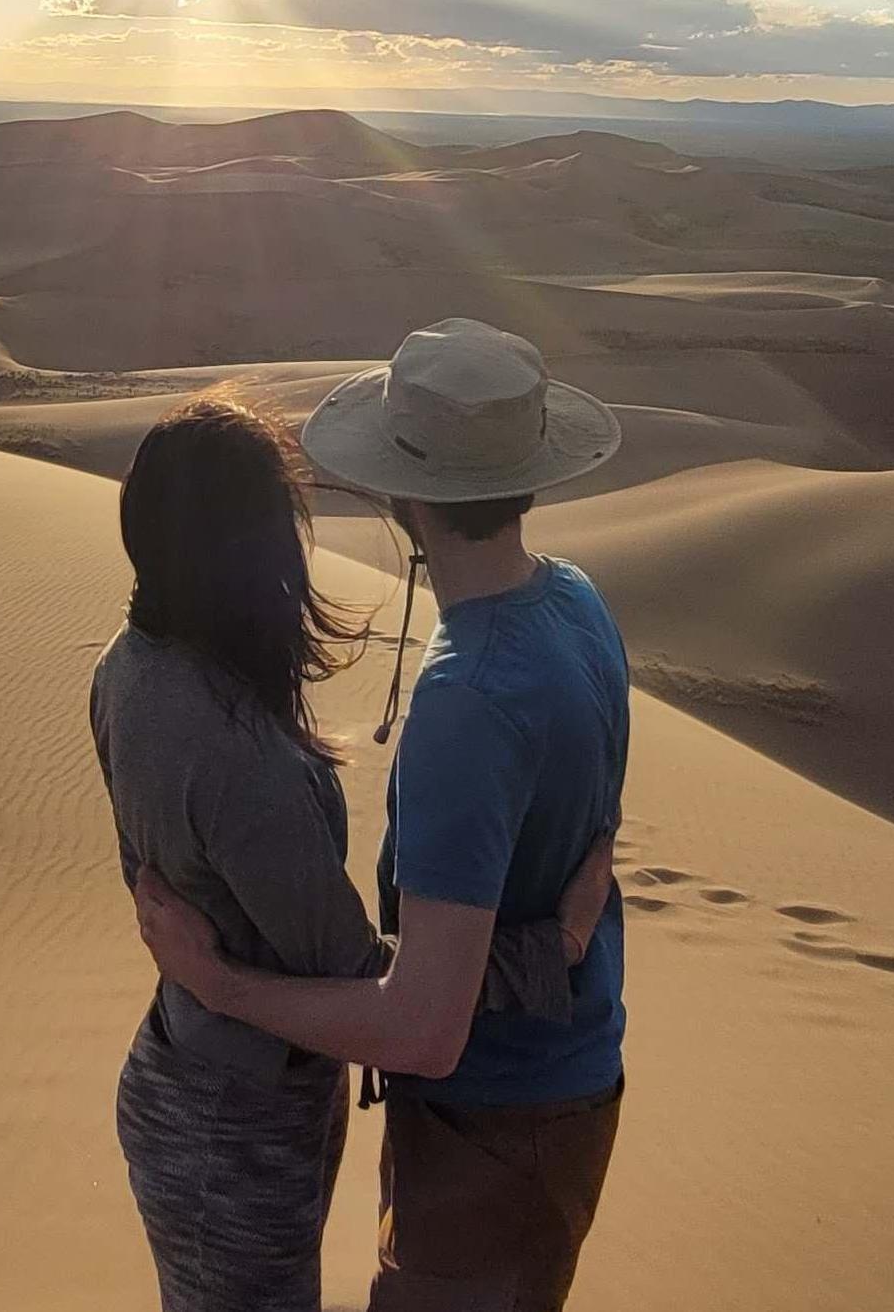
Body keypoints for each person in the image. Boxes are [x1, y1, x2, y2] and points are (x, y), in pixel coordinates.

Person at [135, 319, 631, 1311]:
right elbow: (591, 825)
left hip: (493, 1125)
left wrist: (217, 981)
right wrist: (560, 938)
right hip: (561, 1090)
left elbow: (420, 1030)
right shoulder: (576, 603)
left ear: (410, 495)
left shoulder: (468, 702)